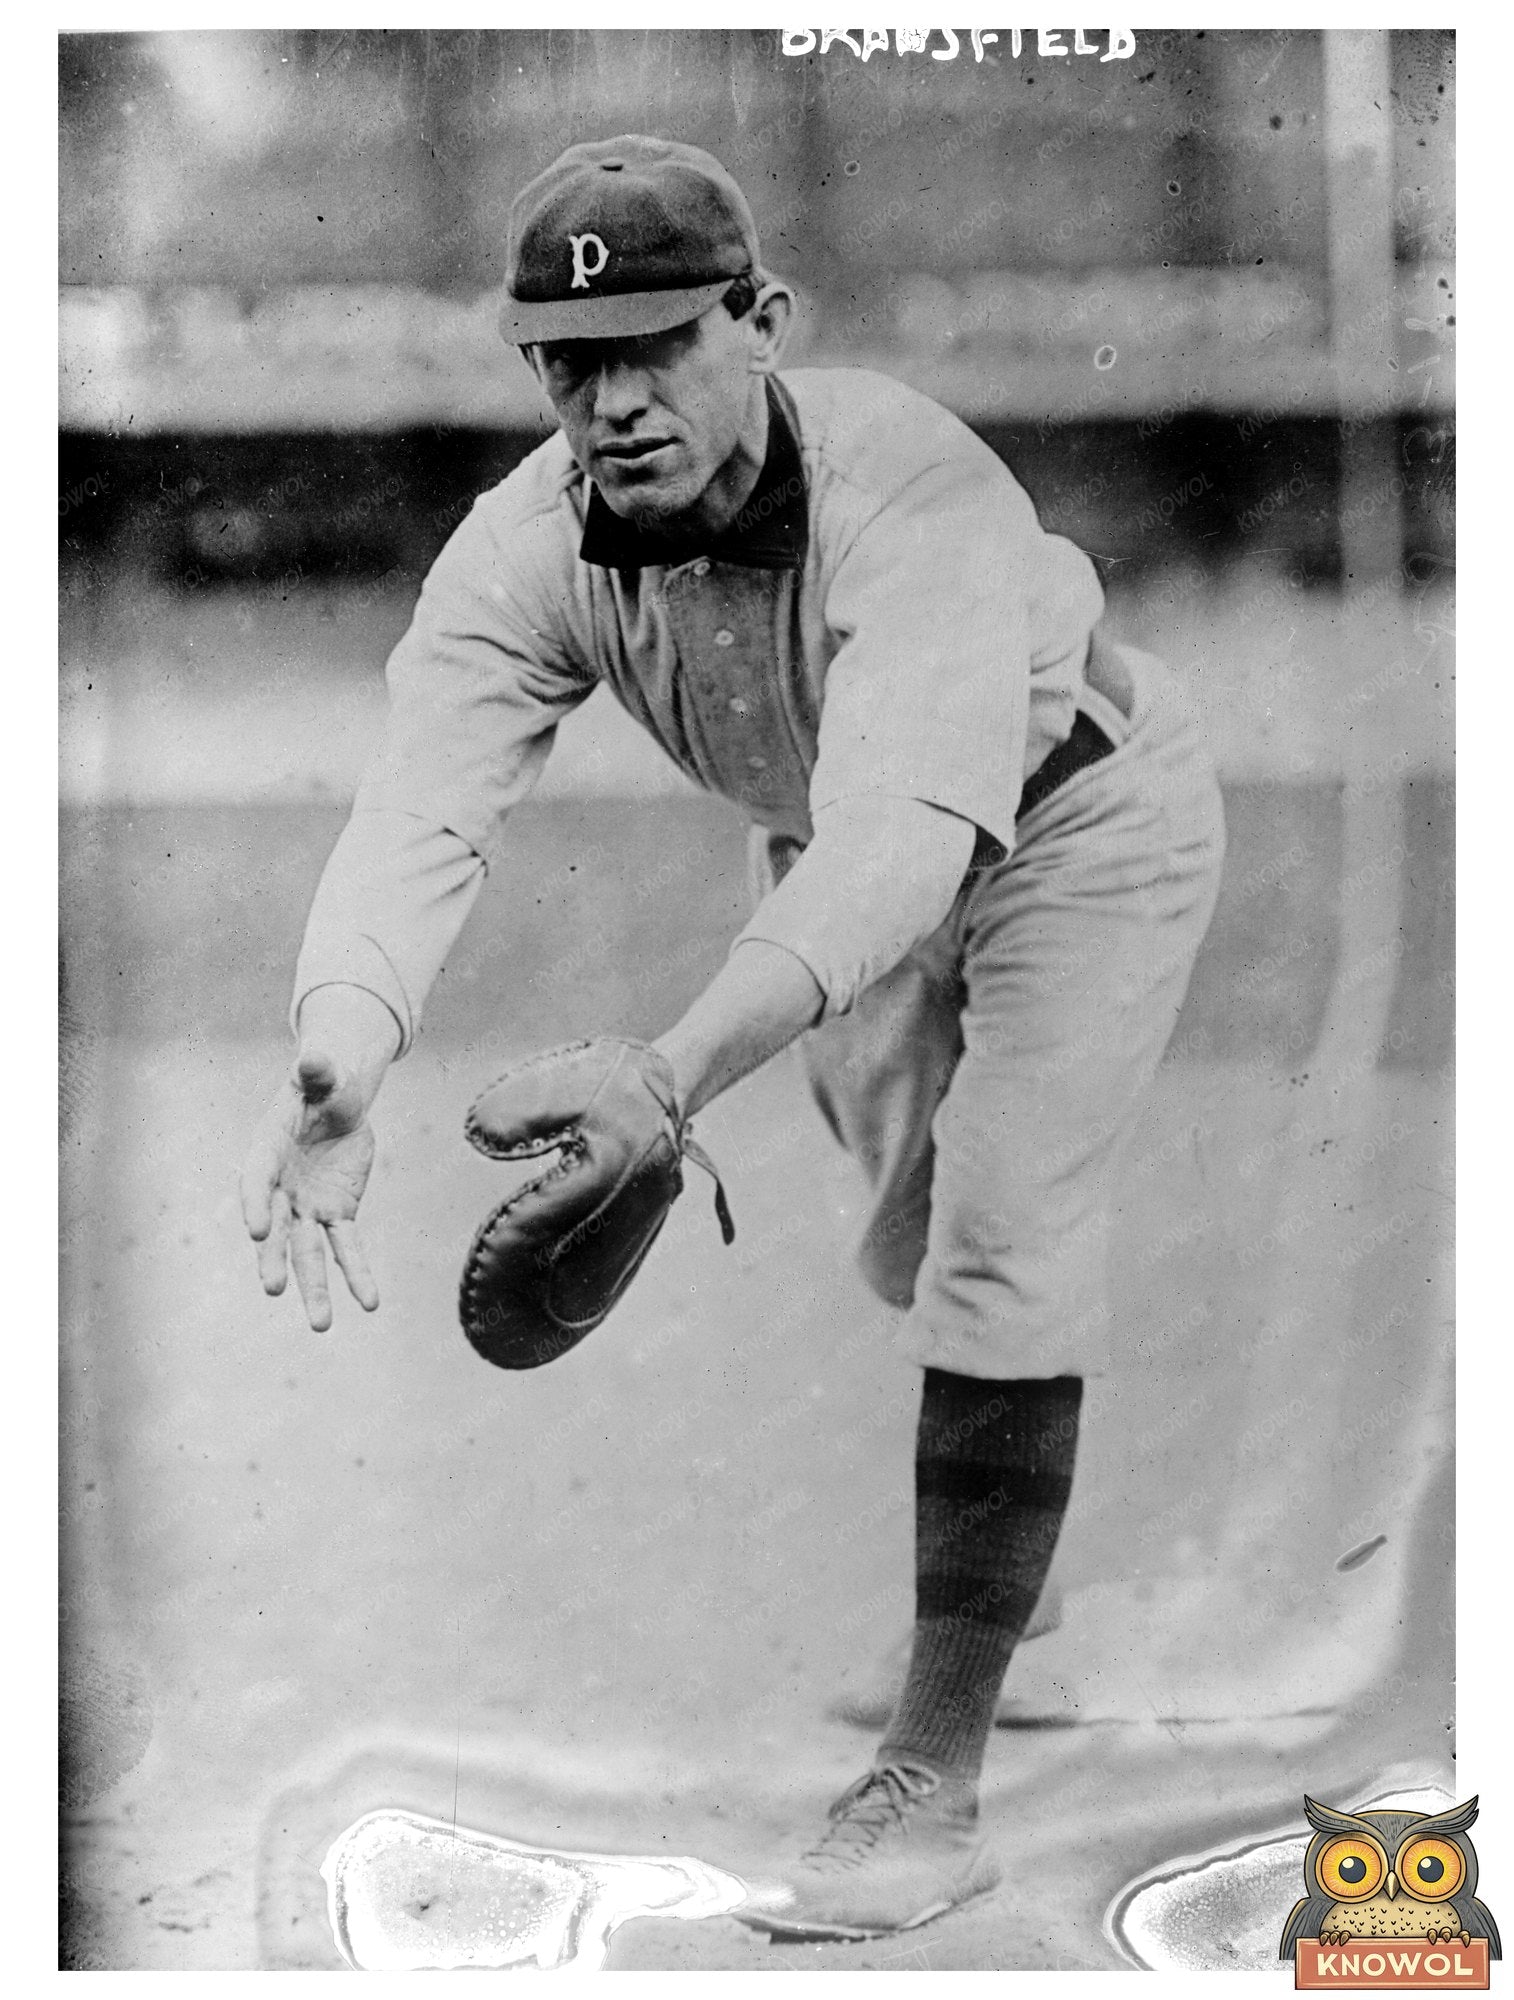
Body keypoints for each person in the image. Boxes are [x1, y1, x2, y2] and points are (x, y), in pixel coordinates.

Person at [240, 134, 1226, 1942]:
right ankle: (1034, 1597)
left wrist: (665, 1078)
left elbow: (903, 845)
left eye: (656, 345)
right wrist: (342, 1046)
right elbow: (422, 809)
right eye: (567, 360)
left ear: (761, 322)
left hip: (1081, 824)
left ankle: (932, 1789)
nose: (608, 401)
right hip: (822, 857)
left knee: (1003, 1242)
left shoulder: (912, 489)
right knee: (915, 1257)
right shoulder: (528, 546)